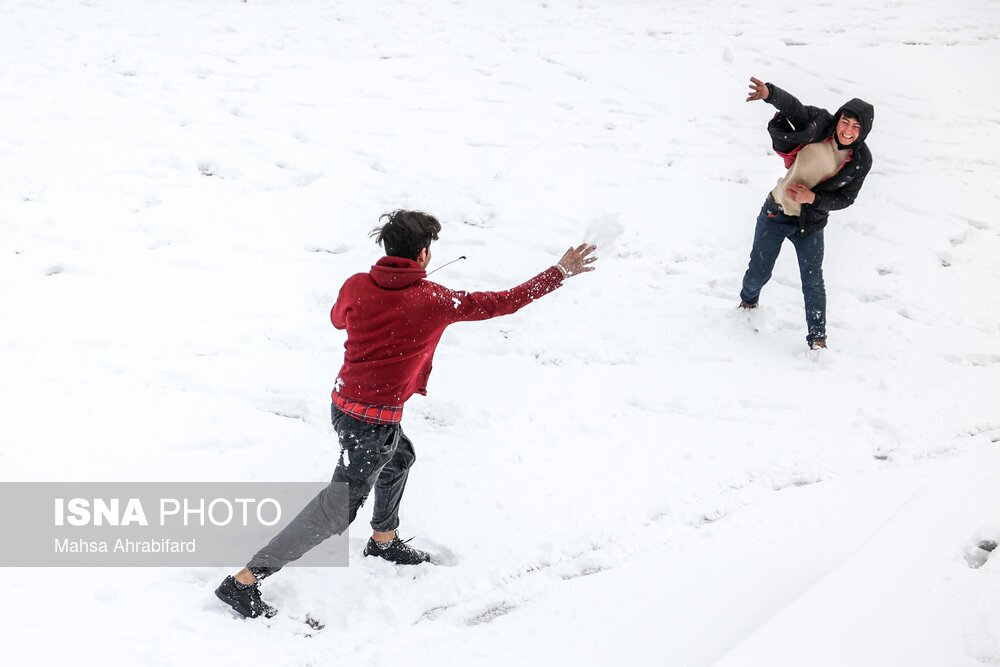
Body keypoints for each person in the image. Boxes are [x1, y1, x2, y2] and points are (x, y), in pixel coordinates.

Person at [215, 209, 598, 618]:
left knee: (399, 458)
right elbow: (502, 303)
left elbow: (337, 319)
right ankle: (244, 581)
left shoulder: (357, 285)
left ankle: (383, 540)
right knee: (336, 509)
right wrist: (559, 272)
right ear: (423, 254)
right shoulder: (434, 300)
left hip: (344, 403)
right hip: (372, 421)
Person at [738, 76, 874, 349]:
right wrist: (770, 93)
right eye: (845, 122)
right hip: (776, 212)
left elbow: (846, 199)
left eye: (856, 127)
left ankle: (817, 339)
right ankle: (748, 303)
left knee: (813, 282)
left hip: (809, 223)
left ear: (863, 131)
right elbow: (794, 109)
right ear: (838, 119)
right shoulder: (819, 124)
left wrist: (812, 198)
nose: (848, 130)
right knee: (758, 273)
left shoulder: (860, 160)